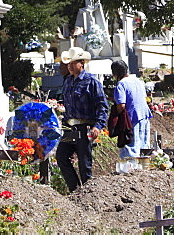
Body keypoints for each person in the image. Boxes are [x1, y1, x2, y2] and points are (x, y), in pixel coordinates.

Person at [55, 47, 108, 192]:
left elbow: (102, 106)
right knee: (61, 157)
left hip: (85, 127)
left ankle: (89, 195)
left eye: (73, 63)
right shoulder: (68, 82)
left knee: (85, 164)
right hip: (69, 127)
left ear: (82, 63)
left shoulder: (91, 81)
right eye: (69, 64)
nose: (70, 66)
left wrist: (98, 126)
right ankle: (76, 190)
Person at [110, 60, 152, 171]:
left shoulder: (121, 84)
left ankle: (130, 172)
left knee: (130, 147)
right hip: (144, 116)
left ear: (115, 74)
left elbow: (121, 105)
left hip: (131, 118)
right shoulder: (137, 81)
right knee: (143, 145)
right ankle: (144, 170)